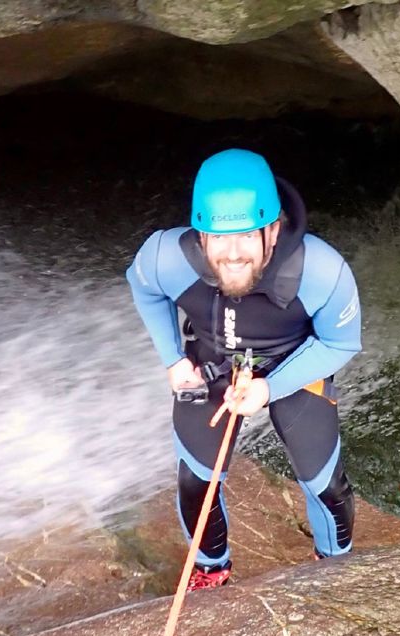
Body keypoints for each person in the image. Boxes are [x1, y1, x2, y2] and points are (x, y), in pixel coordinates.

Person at [126, 148, 363, 590]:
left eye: (247, 236)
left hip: (293, 366)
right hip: (212, 364)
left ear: (273, 231)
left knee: (325, 486)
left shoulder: (321, 272)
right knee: (196, 481)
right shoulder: (165, 257)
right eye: (218, 238)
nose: (232, 254)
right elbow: (142, 286)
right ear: (201, 238)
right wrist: (174, 359)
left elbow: (340, 343)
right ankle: (213, 568)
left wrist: (268, 388)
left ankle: (335, 568)